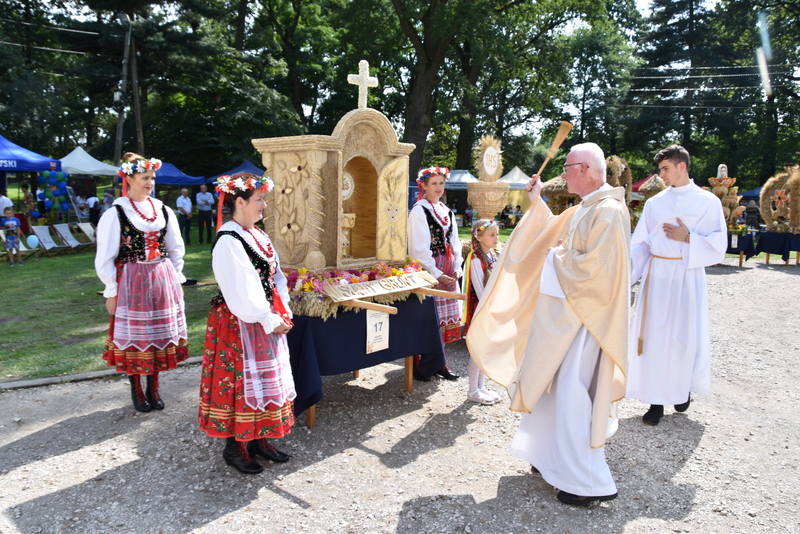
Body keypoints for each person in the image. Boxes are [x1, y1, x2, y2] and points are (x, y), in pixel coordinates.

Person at [467, 143, 630, 506]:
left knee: (573, 396)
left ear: (585, 169)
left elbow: (596, 272)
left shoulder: (609, 212)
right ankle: (548, 459)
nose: (563, 175)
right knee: (554, 392)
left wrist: (555, 257)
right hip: (570, 320)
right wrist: (538, 200)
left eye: (567, 168)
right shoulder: (589, 207)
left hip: (587, 325)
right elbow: (553, 228)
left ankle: (587, 482)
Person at [198, 173, 295, 475]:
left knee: (265, 378)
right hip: (239, 321)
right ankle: (235, 448)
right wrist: (267, 317)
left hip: (263, 317)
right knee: (239, 382)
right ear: (239, 202)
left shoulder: (258, 235)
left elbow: (275, 275)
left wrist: (283, 310)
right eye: (259, 200)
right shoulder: (229, 240)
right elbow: (243, 287)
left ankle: (260, 439)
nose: (264, 205)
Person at [627, 145, 727, 426]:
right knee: (655, 338)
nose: (661, 175)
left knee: (683, 338)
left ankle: (681, 389)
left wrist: (688, 238)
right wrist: (625, 270)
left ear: (681, 166)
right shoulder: (654, 203)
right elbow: (642, 245)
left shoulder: (707, 202)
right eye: (660, 169)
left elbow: (719, 245)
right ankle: (655, 402)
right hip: (658, 275)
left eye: (665, 169)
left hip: (687, 274)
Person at [95, 152, 189, 413]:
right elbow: (105, 257)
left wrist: (176, 277)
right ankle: (136, 387)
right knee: (137, 336)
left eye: (153, 177)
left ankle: (153, 387)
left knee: (158, 334)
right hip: (131, 281)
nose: (151, 182)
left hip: (160, 277)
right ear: (129, 178)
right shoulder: (116, 213)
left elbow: (176, 248)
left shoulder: (163, 210)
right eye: (145, 177)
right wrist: (110, 291)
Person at [407, 166, 463, 381]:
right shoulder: (420, 210)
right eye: (434, 184)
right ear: (423, 185)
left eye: (441, 183)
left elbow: (454, 244)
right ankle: (421, 364)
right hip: (430, 271)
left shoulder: (446, 210)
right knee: (428, 319)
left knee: (443, 320)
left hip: (448, 269)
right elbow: (419, 250)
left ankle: (440, 363)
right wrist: (437, 273)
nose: (438, 188)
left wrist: (457, 268)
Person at [463, 219, 502, 405]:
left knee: (484, 350)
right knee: (477, 350)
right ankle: (472, 390)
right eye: (492, 234)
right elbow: (480, 290)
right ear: (479, 237)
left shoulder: (492, 255)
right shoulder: (476, 259)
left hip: (490, 308)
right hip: (480, 310)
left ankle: (481, 387)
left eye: (497, 234)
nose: (496, 237)